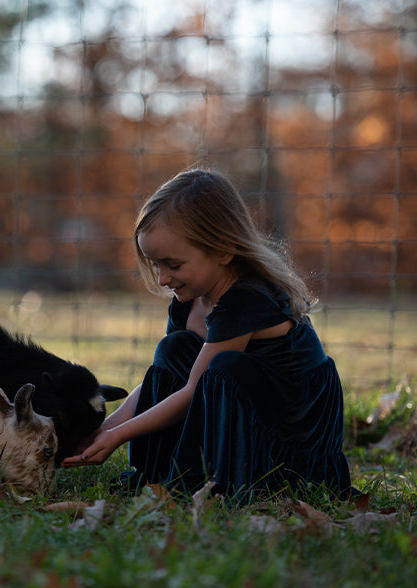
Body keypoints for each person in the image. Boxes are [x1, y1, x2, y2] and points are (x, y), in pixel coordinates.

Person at [61, 168, 353, 504]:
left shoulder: (248, 298)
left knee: (225, 367)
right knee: (174, 348)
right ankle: (158, 475)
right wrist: (102, 430)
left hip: (288, 437)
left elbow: (192, 392)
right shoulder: (188, 301)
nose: (162, 278)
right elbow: (167, 377)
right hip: (234, 410)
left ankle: (213, 484)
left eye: (173, 264)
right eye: (155, 264)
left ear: (223, 251)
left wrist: (118, 436)